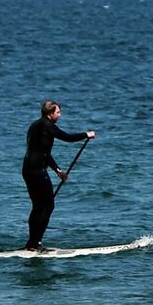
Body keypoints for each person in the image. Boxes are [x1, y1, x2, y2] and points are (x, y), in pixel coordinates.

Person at [22, 100, 95, 251]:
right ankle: (36, 244)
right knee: (47, 206)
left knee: (38, 206)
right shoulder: (47, 125)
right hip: (37, 172)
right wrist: (86, 134)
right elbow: (66, 137)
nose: (60, 115)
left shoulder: (35, 126)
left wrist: (57, 170)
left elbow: (44, 153)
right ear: (50, 114)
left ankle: (32, 243)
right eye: (58, 112)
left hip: (28, 170)